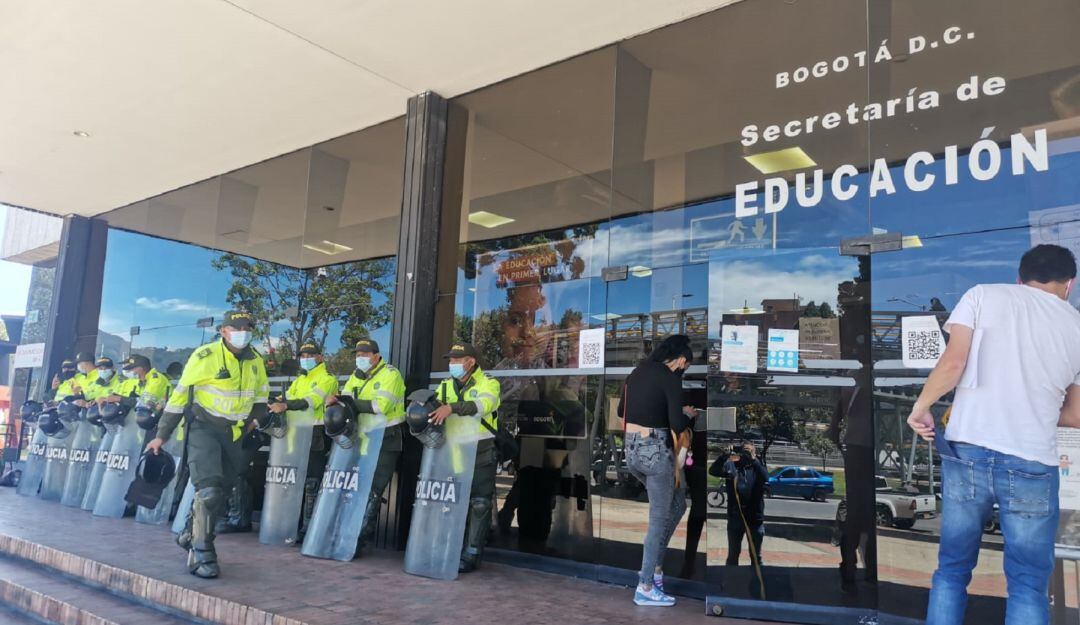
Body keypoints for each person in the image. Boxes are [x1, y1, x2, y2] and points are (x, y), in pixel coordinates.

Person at [908, 244, 1080, 625]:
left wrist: (921, 407)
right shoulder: (1076, 325)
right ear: (1069, 284)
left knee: (952, 570)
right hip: (1033, 461)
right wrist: (1031, 410)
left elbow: (953, 363)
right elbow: (1074, 415)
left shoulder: (983, 295)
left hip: (968, 452)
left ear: (1019, 278)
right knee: (1028, 584)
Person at [145, 311, 269, 579]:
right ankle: (202, 554)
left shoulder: (256, 361)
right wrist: (161, 434)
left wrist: (254, 422)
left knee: (222, 492)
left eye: (247, 327)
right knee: (209, 489)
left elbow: (260, 398)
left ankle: (191, 532)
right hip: (204, 428)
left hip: (236, 434)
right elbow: (180, 396)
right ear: (224, 331)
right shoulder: (205, 356)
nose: (243, 332)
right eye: (236, 327)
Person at [616, 334, 697, 607]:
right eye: (686, 366)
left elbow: (620, 409)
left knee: (678, 502)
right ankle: (646, 585)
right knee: (659, 519)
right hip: (656, 451)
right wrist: (688, 414)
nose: (684, 371)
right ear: (682, 360)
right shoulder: (669, 377)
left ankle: (657, 568)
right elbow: (675, 423)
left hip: (632, 449)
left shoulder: (636, 372)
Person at [427, 342, 501, 572]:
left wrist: (453, 408)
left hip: (480, 450)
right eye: (451, 360)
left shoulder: (489, 382)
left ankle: (472, 554)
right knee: (451, 501)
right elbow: (436, 407)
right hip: (452, 451)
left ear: (471, 361)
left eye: (458, 360)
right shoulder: (446, 385)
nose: (453, 364)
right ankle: (449, 547)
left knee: (479, 503)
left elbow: (484, 404)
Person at [334, 338, 405, 552]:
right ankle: (345, 533)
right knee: (354, 487)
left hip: (385, 438)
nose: (361, 358)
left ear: (376, 355)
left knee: (372, 490)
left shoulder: (390, 374)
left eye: (365, 354)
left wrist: (347, 402)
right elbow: (344, 402)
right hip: (360, 439)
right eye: (358, 354)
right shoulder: (355, 377)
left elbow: (381, 406)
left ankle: (357, 539)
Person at [267, 342, 340, 537]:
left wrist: (286, 405)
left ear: (320, 357)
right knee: (294, 480)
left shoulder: (327, 379)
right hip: (295, 434)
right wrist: (274, 400)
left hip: (316, 434)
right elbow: (287, 397)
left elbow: (311, 401)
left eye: (310, 355)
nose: (306, 358)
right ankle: (292, 523)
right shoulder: (301, 379)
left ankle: (310, 526)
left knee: (312, 481)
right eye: (303, 355)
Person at [711, 442, 767, 568]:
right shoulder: (732, 466)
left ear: (754, 453)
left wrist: (754, 460)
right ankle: (731, 582)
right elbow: (713, 471)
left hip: (755, 519)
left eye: (749, 451)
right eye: (744, 451)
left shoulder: (758, 467)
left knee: (756, 556)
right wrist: (724, 456)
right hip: (736, 517)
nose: (746, 454)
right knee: (733, 554)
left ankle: (757, 583)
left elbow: (766, 477)